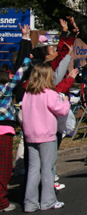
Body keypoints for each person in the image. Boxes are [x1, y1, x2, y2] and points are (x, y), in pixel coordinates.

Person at [21, 63, 70, 212]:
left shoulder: (28, 93)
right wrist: (66, 102)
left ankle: (30, 203)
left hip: (30, 134)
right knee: (47, 169)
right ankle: (47, 201)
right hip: (46, 135)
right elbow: (60, 110)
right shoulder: (49, 93)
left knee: (33, 169)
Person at [0, 58, 31, 212]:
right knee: (4, 168)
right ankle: (2, 201)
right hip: (3, 131)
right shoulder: (3, 90)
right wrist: (26, 59)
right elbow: (19, 74)